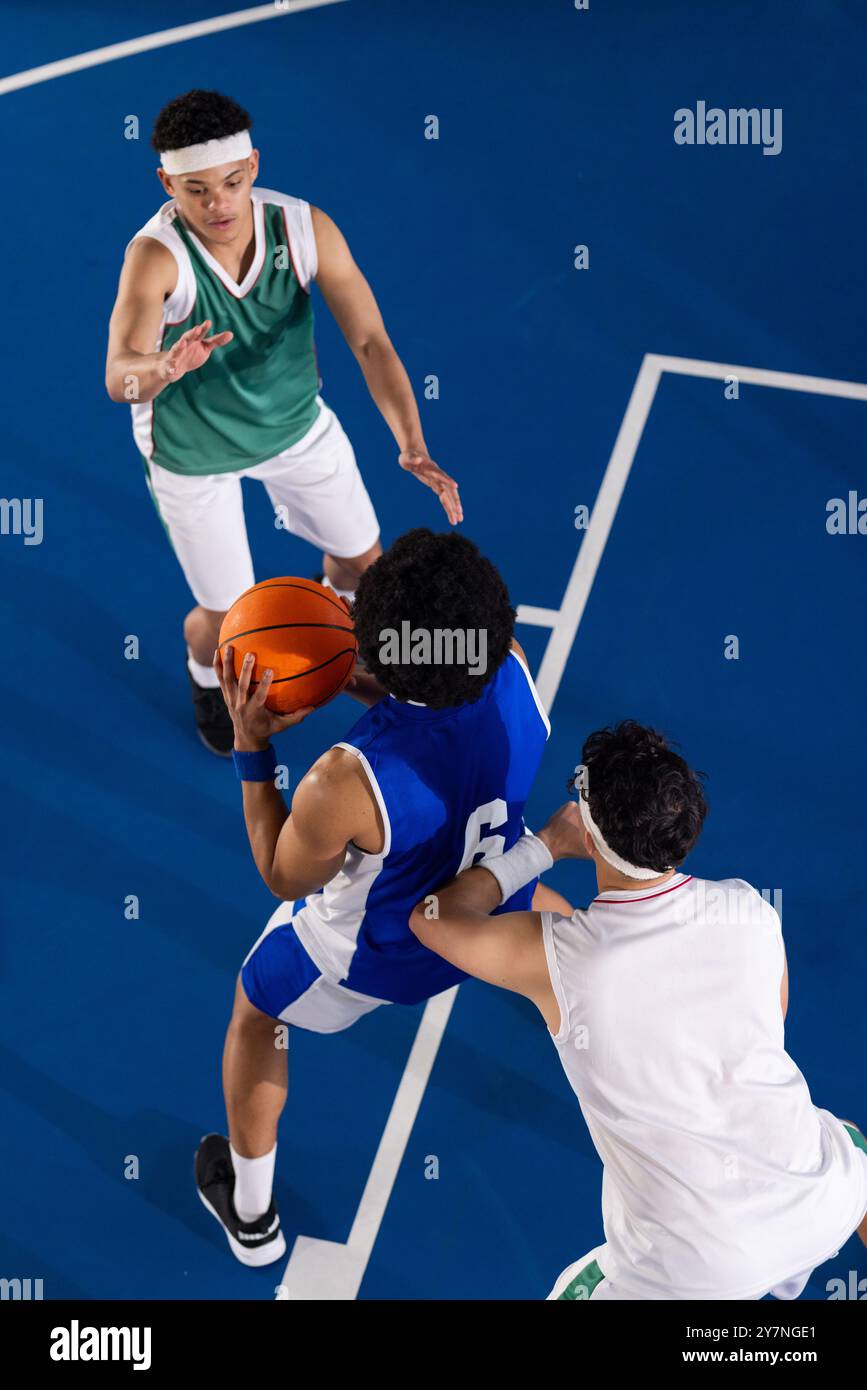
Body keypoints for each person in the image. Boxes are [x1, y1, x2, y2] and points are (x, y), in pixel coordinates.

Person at [193, 529, 563, 1267]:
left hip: (380, 959)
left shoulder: (342, 781)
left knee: (253, 1014)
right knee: (531, 879)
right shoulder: (516, 669)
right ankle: (585, 975)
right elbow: (441, 700)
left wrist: (250, 744)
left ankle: (253, 1218)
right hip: (490, 909)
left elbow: (278, 872)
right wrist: (362, 677)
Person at [410, 720, 867, 1301]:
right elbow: (765, 1027)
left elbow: (432, 919)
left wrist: (543, 847)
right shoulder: (749, 909)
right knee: (850, 1142)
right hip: (822, 1204)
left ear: (591, 833)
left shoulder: (562, 963)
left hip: (695, 1272)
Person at [105, 89, 461, 755]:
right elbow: (117, 376)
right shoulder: (156, 257)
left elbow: (370, 342)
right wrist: (163, 368)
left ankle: (333, 628)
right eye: (197, 189)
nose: (218, 205)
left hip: (295, 428)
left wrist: (410, 443)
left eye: (233, 183)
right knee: (229, 623)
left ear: (254, 167)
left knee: (365, 565)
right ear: (166, 184)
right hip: (192, 452)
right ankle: (204, 673)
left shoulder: (303, 228)